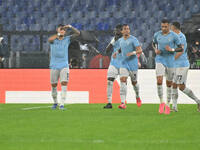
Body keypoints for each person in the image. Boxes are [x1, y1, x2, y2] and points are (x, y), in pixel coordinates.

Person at [152, 19, 184, 114]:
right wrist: (155, 49)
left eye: (165, 26)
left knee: (169, 83)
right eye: (162, 26)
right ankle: (161, 102)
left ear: (169, 26)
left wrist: (172, 49)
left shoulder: (174, 36)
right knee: (159, 80)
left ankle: (168, 104)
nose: (164, 28)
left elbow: (180, 48)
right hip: (160, 58)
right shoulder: (157, 34)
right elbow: (153, 43)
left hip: (170, 60)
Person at [168, 22, 200, 112]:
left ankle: (198, 101)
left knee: (181, 87)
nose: (170, 30)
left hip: (182, 65)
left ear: (175, 29)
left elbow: (180, 51)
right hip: (176, 65)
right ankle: (174, 107)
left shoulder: (181, 37)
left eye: (171, 28)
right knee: (174, 85)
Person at [48, 24, 80, 110]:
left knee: (64, 83)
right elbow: (49, 39)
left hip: (64, 65)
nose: (62, 30)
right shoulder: (54, 39)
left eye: (63, 30)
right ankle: (55, 102)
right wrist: (58, 34)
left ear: (65, 32)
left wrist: (70, 27)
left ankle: (62, 104)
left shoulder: (67, 39)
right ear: (57, 30)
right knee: (54, 85)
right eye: (60, 29)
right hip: (54, 65)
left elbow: (78, 33)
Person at [113, 24, 142, 109]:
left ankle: (137, 96)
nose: (127, 30)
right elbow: (121, 48)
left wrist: (132, 53)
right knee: (123, 81)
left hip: (132, 64)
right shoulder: (120, 40)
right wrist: (116, 53)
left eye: (128, 29)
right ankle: (123, 103)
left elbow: (139, 50)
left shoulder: (134, 39)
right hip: (124, 63)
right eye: (125, 29)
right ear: (122, 31)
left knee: (134, 83)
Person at [103, 24, 123, 109]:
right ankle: (109, 102)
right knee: (109, 81)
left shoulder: (127, 39)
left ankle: (122, 102)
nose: (116, 32)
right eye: (115, 30)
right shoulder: (114, 39)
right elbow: (106, 51)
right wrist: (113, 41)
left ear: (122, 31)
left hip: (123, 64)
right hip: (114, 63)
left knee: (123, 83)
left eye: (117, 30)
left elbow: (125, 49)